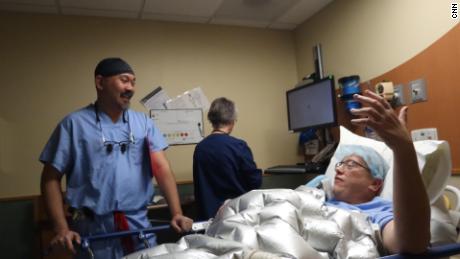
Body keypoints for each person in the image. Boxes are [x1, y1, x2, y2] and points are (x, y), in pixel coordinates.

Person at [39, 57, 193, 258]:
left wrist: (176, 213)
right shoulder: (73, 124)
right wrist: (61, 228)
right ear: (100, 82)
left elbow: (162, 169)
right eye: (124, 80)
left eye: (133, 82)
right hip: (92, 231)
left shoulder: (143, 123)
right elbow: (50, 179)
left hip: (137, 228)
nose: (131, 87)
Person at [324, 90, 430, 254]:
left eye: (351, 164)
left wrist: (403, 148)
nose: (338, 169)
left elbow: (410, 244)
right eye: (340, 164)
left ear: (375, 183)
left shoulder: (376, 211)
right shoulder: (323, 199)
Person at [193, 97, 263, 220]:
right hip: (236, 216)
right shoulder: (238, 146)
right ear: (231, 120)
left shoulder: (200, 148)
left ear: (212, 119)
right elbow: (254, 182)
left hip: (207, 218)